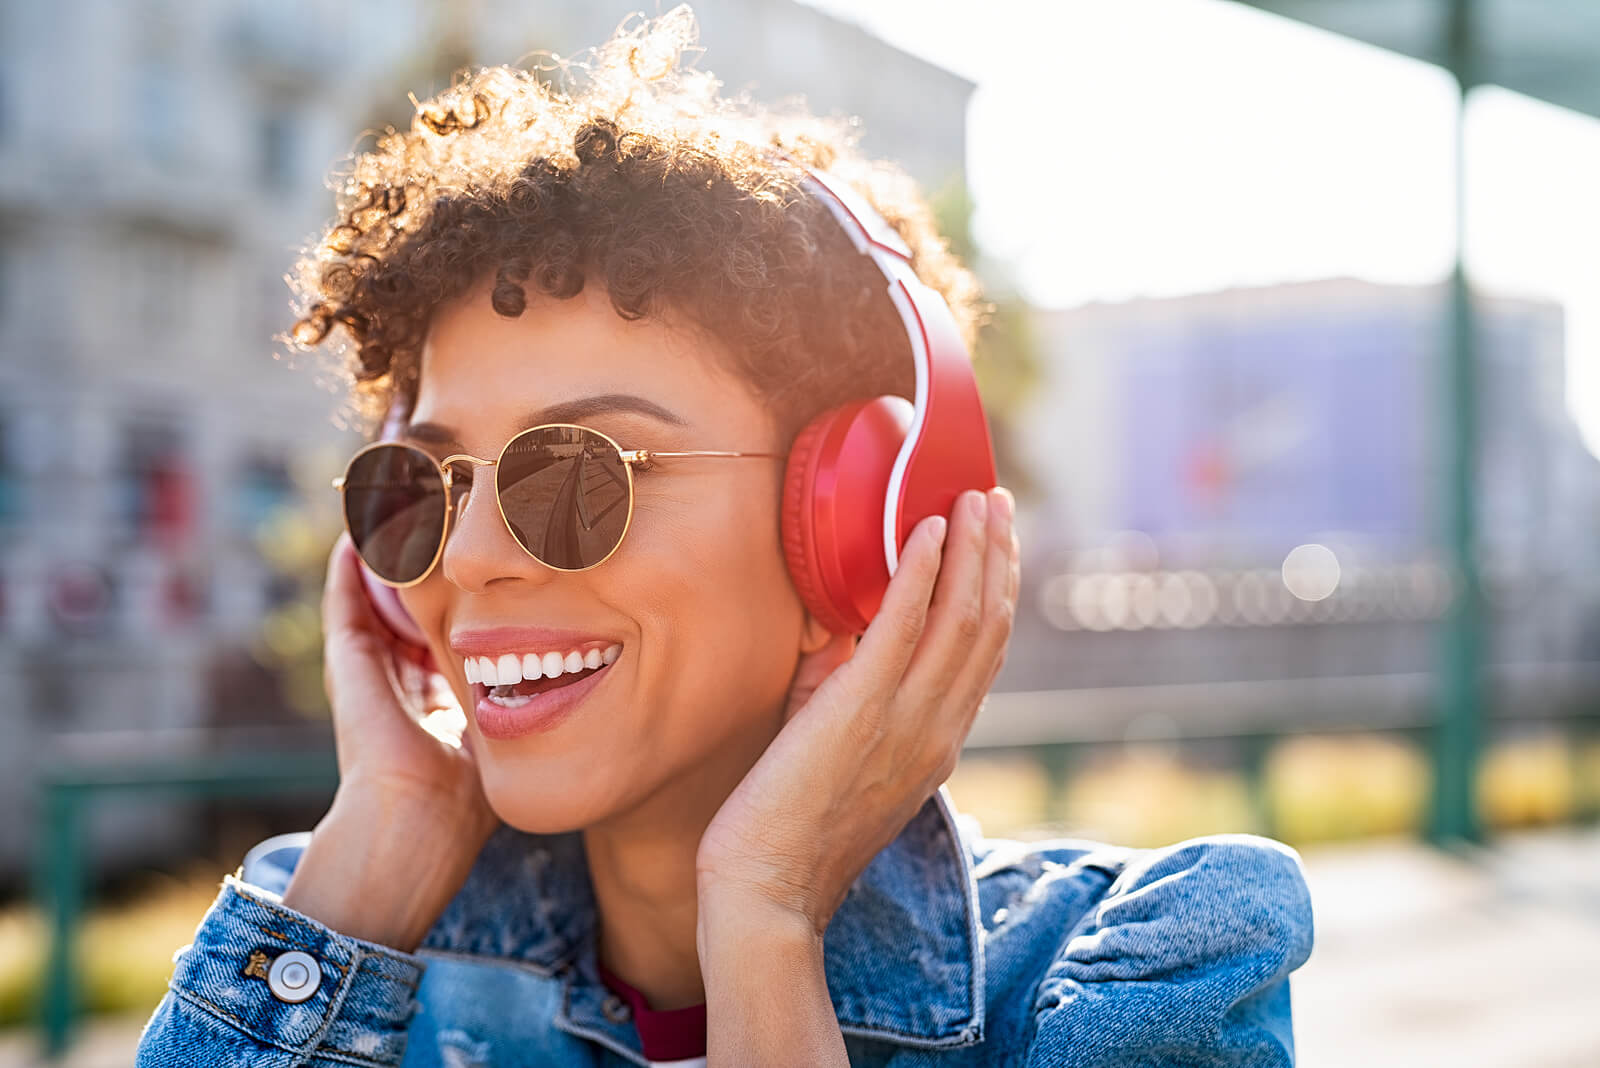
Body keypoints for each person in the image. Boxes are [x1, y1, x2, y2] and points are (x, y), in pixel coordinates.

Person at [136, 8, 1312, 1066]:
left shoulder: (1125, 984)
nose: (471, 555)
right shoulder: (326, 936)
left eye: (578, 474)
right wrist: (382, 843)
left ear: (854, 521)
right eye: (426, 482)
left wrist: (763, 921)